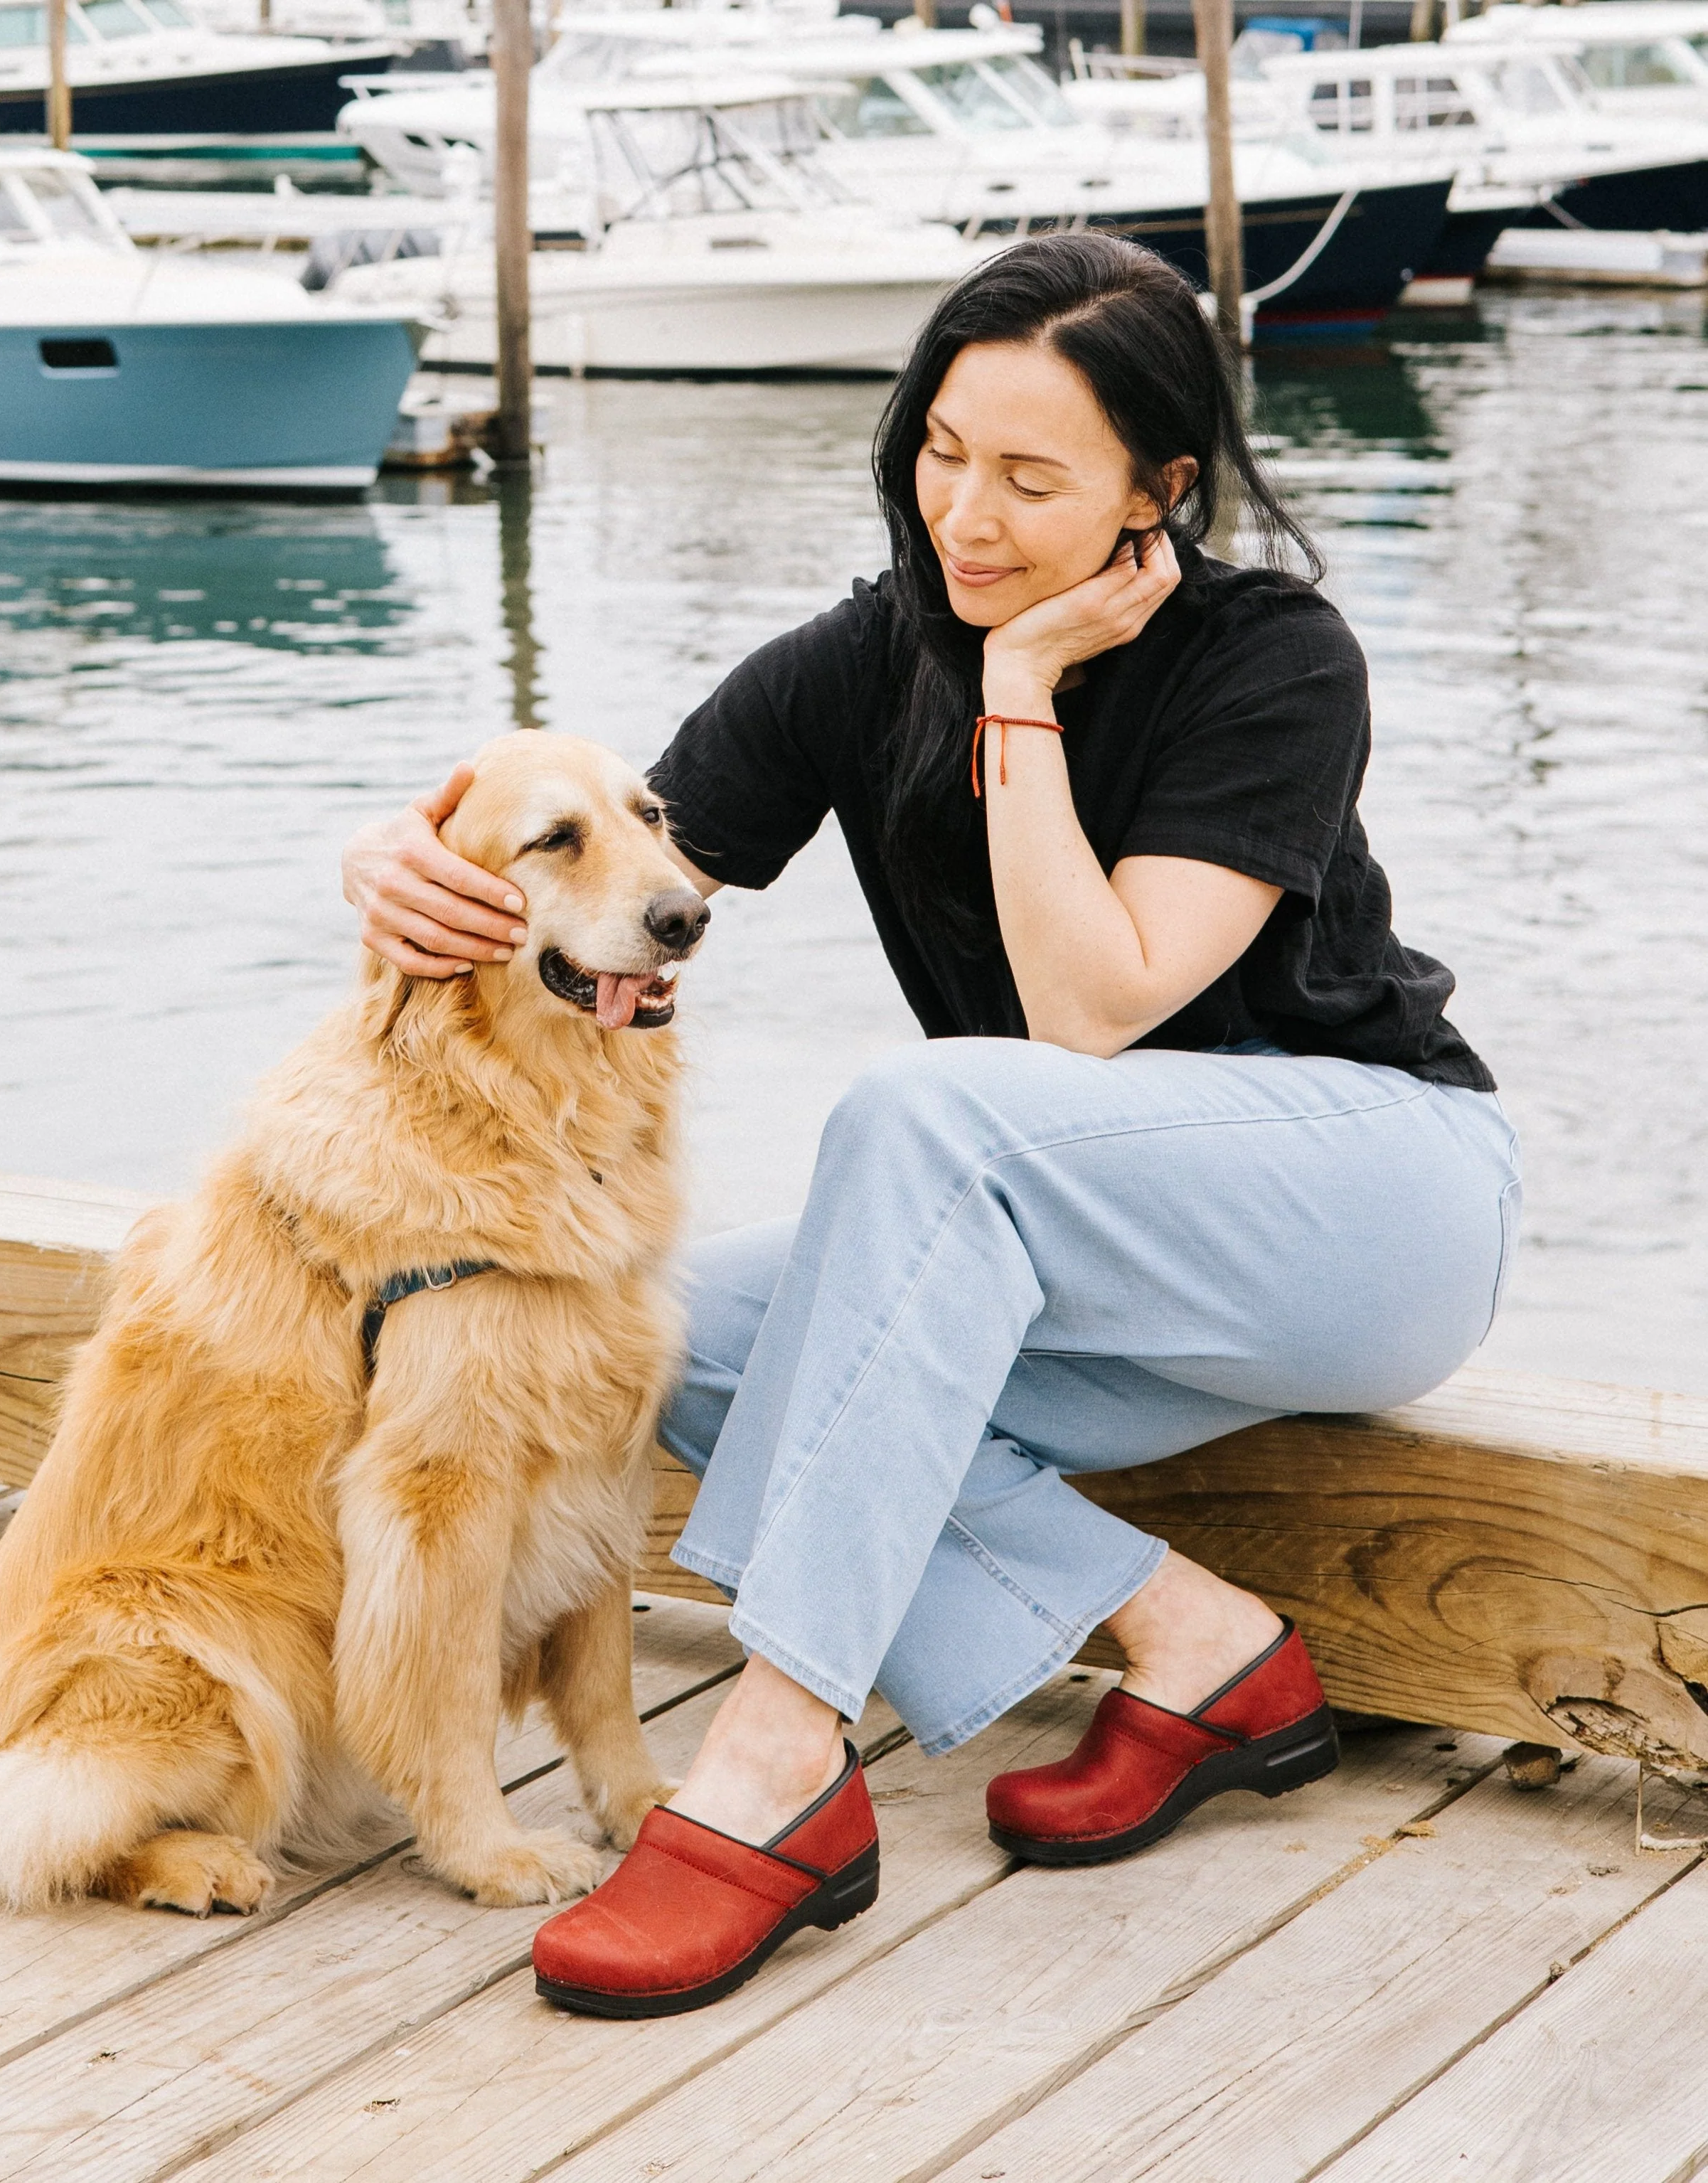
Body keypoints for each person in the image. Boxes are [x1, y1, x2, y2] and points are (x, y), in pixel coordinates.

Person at [340, 233, 1520, 2019]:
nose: (965, 514)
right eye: (942, 451)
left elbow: (1087, 1012)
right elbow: (615, 888)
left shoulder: (1273, 655)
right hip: (1072, 1247)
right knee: (640, 1344)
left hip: (1368, 1200)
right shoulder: (864, 655)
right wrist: (389, 863)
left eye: (1032, 479)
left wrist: (1024, 692)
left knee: (926, 1104)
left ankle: (775, 1756)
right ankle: (1197, 1648)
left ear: (1159, 491)